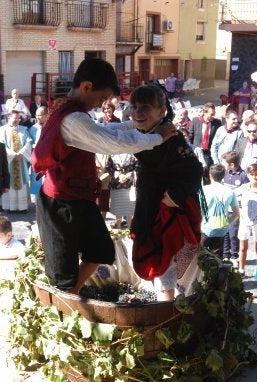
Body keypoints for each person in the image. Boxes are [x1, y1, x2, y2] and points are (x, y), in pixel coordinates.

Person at [31, 58, 176, 294]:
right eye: (100, 99)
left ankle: (73, 292)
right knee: (63, 276)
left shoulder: (75, 113)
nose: (100, 105)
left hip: (77, 197)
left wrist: (133, 124)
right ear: (87, 86)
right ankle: (66, 301)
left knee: (101, 250)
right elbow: (110, 143)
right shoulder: (73, 118)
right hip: (59, 204)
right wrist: (157, 137)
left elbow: (102, 132)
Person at [129, 84, 203, 300]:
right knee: (157, 262)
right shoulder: (143, 132)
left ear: (161, 111)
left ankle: (164, 317)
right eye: (134, 107)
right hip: (149, 204)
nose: (137, 113)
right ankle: (164, 310)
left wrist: (174, 196)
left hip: (166, 211)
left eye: (145, 107)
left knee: (163, 264)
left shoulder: (172, 136)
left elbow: (195, 169)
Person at [201, 164, 240, 259]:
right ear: (224, 175)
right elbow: (237, 214)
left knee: (201, 258)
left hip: (204, 229)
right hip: (221, 229)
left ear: (210, 175)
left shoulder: (203, 190)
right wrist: (227, 223)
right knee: (217, 259)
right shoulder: (230, 191)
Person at [0, 110, 32, 213]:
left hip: (21, 162)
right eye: (14, 118)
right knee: (9, 181)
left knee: (21, 182)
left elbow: (29, 142)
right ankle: (10, 206)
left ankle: (22, 207)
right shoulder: (2, 130)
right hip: (8, 163)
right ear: (8, 118)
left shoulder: (23, 129)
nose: (17, 120)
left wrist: (21, 153)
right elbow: (0, 145)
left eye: (18, 118)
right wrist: (12, 154)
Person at [237, 163, 257, 275]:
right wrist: (240, 212)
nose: (254, 177)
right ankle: (241, 269)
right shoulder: (243, 188)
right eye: (252, 175)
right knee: (242, 247)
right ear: (248, 175)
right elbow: (236, 201)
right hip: (244, 221)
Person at [221, 151, 248, 265]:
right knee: (225, 232)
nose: (223, 165)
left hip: (234, 210)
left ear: (232, 164)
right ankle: (225, 254)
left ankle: (234, 255)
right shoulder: (225, 173)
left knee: (233, 233)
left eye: (224, 163)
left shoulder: (242, 176)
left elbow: (246, 193)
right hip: (224, 209)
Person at [189, 102, 221, 183]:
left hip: (208, 152)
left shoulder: (217, 123)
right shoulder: (195, 120)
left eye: (214, 114)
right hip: (197, 150)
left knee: (207, 171)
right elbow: (190, 136)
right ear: (204, 112)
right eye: (211, 114)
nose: (213, 116)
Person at [107, 152, 136, 229]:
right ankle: (118, 228)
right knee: (118, 208)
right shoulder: (112, 153)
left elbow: (138, 167)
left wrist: (129, 175)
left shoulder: (134, 153)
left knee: (129, 208)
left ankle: (130, 229)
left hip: (130, 185)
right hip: (116, 184)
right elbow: (108, 167)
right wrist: (119, 175)